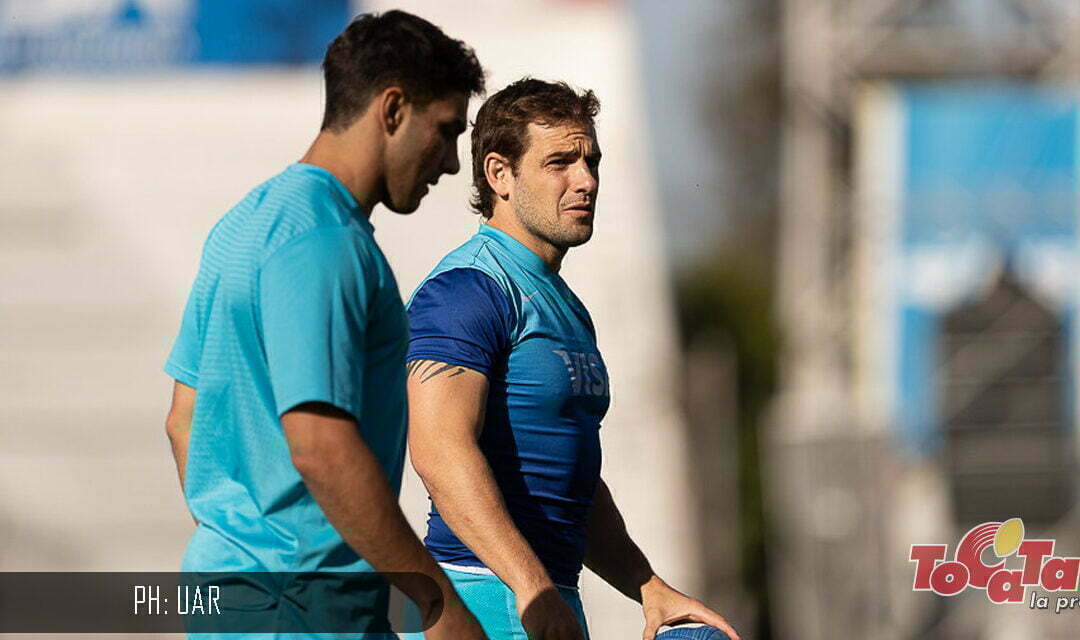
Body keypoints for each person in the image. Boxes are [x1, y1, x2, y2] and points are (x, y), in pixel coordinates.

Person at [163, 10, 489, 639]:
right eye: (446, 131)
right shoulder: (324, 241)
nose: (450, 163)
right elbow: (320, 445)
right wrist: (437, 604)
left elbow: (184, 420)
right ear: (392, 109)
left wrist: (244, 548)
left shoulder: (243, 223)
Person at [405, 79, 740, 640]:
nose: (585, 181)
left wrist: (647, 586)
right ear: (499, 175)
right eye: (559, 162)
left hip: (547, 598)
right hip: (482, 598)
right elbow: (439, 452)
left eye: (591, 161)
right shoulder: (468, 288)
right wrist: (529, 586)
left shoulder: (567, 308)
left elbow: (571, 484)